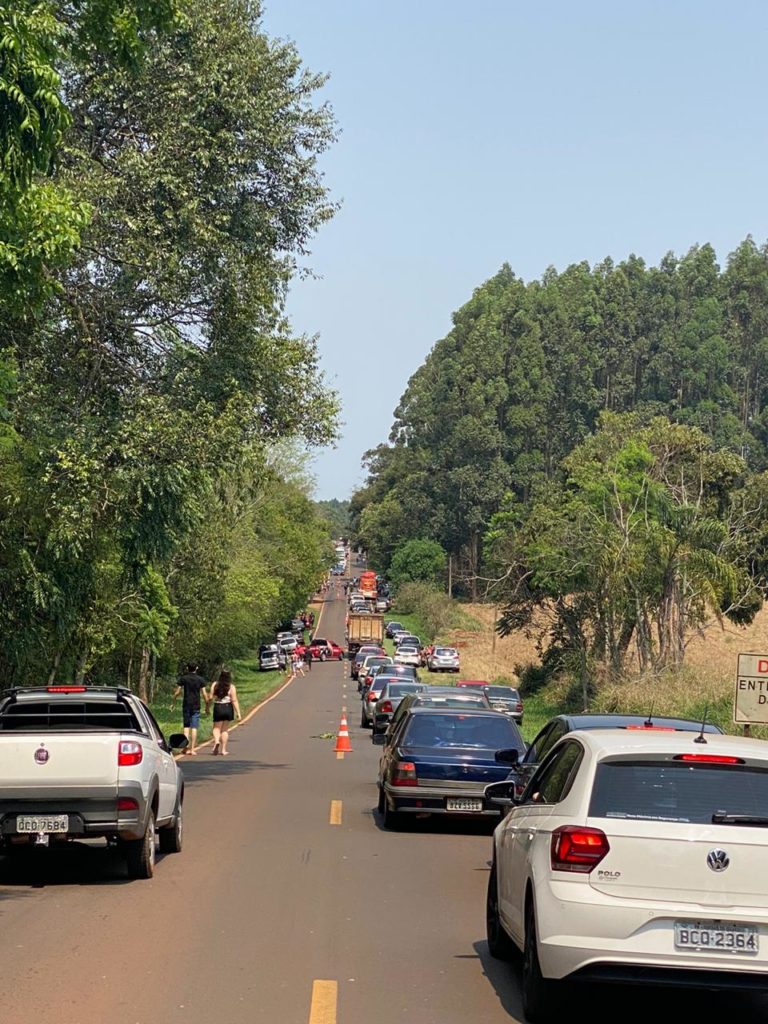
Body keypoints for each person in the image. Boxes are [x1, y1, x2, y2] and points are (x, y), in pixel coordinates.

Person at [172, 662, 208, 756]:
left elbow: (177, 692)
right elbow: (204, 694)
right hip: (196, 705)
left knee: (186, 727)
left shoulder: (184, 678)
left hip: (186, 704)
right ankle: (192, 749)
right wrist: (207, 704)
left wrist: (173, 701)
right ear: (196, 668)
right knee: (194, 727)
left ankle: (185, 748)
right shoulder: (200, 680)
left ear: (187, 668)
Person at [207, 669, 241, 755]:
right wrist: (238, 713)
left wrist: (207, 707)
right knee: (225, 730)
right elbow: (234, 700)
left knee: (216, 728)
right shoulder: (231, 687)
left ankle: (217, 741)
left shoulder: (215, 685)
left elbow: (210, 698)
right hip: (228, 707)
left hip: (218, 707)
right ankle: (223, 750)